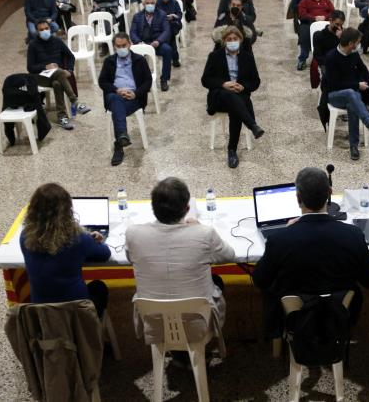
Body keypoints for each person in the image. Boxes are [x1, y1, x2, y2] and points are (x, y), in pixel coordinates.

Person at [252, 167, 369, 338]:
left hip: (295, 320)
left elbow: (260, 280)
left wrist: (287, 233)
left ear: (298, 198)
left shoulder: (279, 239)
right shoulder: (354, 235)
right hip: (338, 318)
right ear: (329, 194)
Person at [125, 177, 236, 347]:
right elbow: (229, 255)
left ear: (153, 208)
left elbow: (130, 257)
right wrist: (198, 227)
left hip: (155, 325)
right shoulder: (204, 234)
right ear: (187, 209)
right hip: (198, 325)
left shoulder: (133, 234)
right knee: (217, 281)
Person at [20, 183, 110, 316]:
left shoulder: (25, 237)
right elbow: (105, 254)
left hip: (43, 313)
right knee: (99, 287)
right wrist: (94, 240)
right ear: (67, 210)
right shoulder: (78, 239)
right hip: (78, 315)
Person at [201, 26, 264, 168]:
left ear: (240, 40)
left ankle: (232, 150)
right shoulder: (215, 56)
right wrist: (223, 84)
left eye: (235, 39)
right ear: (224, 41)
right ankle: (252, 125)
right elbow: (205, 80)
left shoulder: (247, 57)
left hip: (240, 96)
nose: (232, 41)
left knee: (236, 106)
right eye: (229, 39)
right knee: (231, 97)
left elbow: (255, 81)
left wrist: (243, 87)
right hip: (219, 96)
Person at [324, 28, 369, 160]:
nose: (359, 45)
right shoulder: (331, 57)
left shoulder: (354, 54)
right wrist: (356, 85)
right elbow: (334, 84)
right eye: (357, 42)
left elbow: (364, 70)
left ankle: (354, 146)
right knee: (351, 93)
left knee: (352, 103)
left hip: (352, 95)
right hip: (334, 95)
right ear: (351, 43)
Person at [98, 33, 153, 166]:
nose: (122, 48)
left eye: (124, 45)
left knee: (116, 105)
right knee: (115, 99)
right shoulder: (109, 61)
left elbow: (148, 81)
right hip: (116, 95)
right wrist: (116, 90)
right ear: (114, 46)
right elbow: (102, 81)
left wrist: (135, 93)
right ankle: (121, 136)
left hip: (134, 98)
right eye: (118, 46)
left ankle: (119, 144)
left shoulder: (139, 60)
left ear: (129, 44)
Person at [27, 19, 90, 130]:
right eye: (41, 30)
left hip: (57, 75)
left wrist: (69, 70)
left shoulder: (57, 41)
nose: (44, 31)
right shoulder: (33, 45)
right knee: (59, 72)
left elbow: (70, 56)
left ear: (50, 29)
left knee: (57, 83)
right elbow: (30, 67)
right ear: (37, 32)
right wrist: (45, 67)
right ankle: (74, 101)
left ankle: (62, 117)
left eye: (46, 28)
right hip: (41, 76)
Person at [130, 0, 173, 91]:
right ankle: (143, 80)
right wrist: (138, 42)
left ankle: (164, 79)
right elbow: (132, 32)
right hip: (142, 43)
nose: (150, 5)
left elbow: (166, 31)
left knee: (168, 50)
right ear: (144, 4)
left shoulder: (162, 14)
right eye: (148, 3)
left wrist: (158, 41)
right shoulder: (137, 16)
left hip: (156, 43)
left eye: (152, 3)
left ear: (155, 4)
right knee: (132, 54)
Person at [296, 0, 334, 70]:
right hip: (310, 23)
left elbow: (333, 13)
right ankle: (303, 58)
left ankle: (331, 57)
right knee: (303, 30)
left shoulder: (327, 1)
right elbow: (301, 14)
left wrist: (325, 17)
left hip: (326, 23)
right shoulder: (304, 1)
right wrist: (314, 18)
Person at [157, 0, 184, 68]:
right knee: (170, 36)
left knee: (169, 31)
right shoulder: (158, 3)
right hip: (163, 26)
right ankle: (175, 59)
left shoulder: (174, 2)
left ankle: (169, 57)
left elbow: (179, 14)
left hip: (174, 23)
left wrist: (173, 16)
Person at [312, 10, 344, 76]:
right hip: (325, 62)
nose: (339, 27)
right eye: (337, 24)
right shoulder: (319, 35)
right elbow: (317, 56)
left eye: (341, 25)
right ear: (330, 20)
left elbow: (346, 51)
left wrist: (341, 39)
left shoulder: (343, 34)